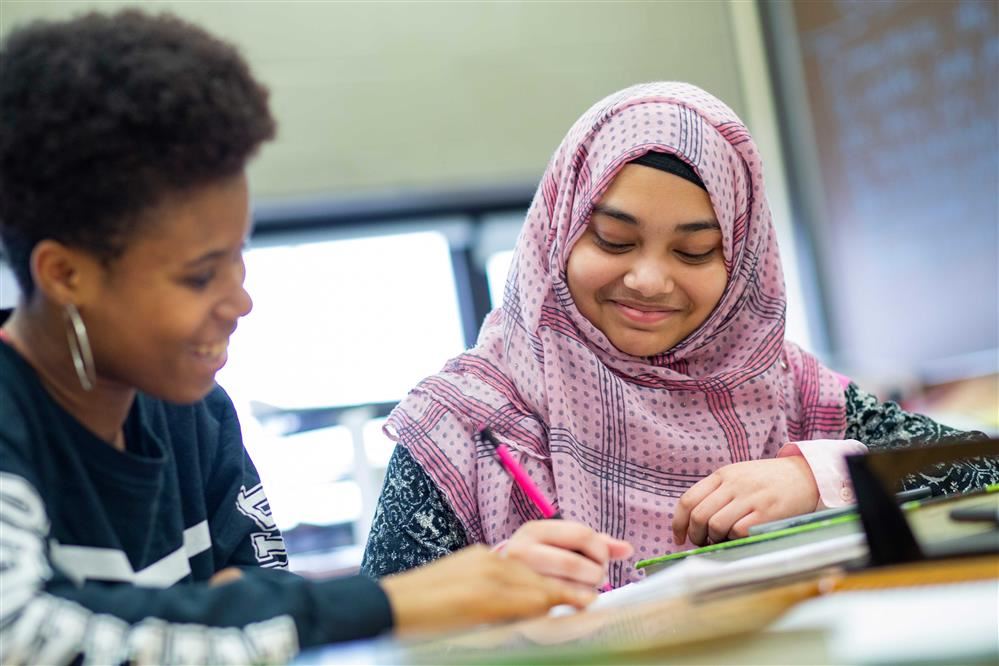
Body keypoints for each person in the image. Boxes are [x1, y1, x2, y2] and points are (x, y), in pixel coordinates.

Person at [0, 11, 610, 664]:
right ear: (65, 274)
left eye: (237, 257)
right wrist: (387, 604)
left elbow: (260, 613)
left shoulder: (196, 414)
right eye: (199, 276)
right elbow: (23, 634)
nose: (239, 301)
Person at [361, 82, 997, 588]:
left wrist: (823, 476)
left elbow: (983, 467)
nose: (647, 279)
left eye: (694, 252)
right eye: (613, 240)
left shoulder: (789, 393)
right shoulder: (466, 422)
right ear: (557, 232)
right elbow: (374, 636)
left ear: (741, 263)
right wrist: (485, 591)